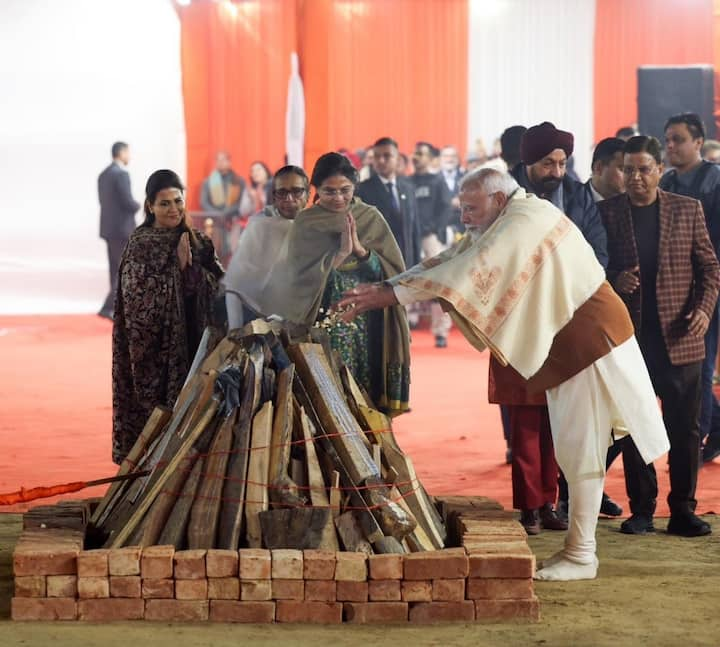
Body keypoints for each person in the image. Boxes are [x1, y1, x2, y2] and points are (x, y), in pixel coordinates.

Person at [336, 167, 670, 580]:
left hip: (589, 338)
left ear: (497, 199)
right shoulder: (511, 216)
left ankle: (582, 554)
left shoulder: (525, 220)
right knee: (577, 448)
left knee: (582, 448)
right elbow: (454, 258)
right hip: (576, 341)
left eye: (472, 208)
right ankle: (579, 551)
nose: (464, 217)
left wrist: (388, 294)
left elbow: (470, 268)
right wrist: (390, 286)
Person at [600, 136, 720, 536]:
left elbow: (710, 270)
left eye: (644, 169)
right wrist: (614, 279)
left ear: (659, 170)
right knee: (635, 425)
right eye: (628, 169)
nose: (636, 177)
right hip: (629, 340)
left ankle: (684, 510)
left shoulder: (687, 210)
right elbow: (590, 270)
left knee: (685, 428)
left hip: (682, 335)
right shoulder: (606, 214)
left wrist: (703, 311)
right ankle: (642, 510)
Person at [508, 122, 608, 531]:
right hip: (520, 321)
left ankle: (551, 502)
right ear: (528, 163)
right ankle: (530, 505)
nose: (556, 171)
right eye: (548, 163)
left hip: (570, 318)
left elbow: (598, 249)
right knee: (528, 415)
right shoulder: (504, 197)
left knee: (561, 415)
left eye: (562, 162)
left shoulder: (580, 195)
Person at [268, 152, 411, 414]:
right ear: (316, 189)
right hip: (325, 323)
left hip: (370, 324)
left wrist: (362, 252)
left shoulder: (369, 217)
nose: (338, 198)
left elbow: (394, 274)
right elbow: (298, 282)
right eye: (329, 191)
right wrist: (340, 255)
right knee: (333, 397)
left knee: (367, 394)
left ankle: (371, 448)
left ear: (355, 186)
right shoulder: (306, 222)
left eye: (345, 190)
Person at [111, 170, 224, 465]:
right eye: (164, 204)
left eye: (177, 201)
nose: (173, 209)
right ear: (150, 206)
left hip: (196, 342)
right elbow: (135, 300)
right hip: (155, 353)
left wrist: (191, 273)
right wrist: (176, 270)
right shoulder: (141, 245)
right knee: (158, 421)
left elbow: (221, 286)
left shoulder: (199, 241)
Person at [660, 113, 720, 464]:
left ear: (699, 142)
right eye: (667, 139)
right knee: (676, 369)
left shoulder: (715, 182)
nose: (671, 146)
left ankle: (691, 445)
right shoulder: (665, 181)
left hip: (708, 288)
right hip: (671, 289)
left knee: (700, 366)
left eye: (678, 139)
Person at [223, 165, 309, 329]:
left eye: (297, 191)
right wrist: (235, 331)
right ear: (274, 196)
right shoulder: (260, 226)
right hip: (257, 322)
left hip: (303, 322)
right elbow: (236, 285)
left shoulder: (315, 227)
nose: (289, 199)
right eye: (282, 193)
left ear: (308, 194)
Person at [410, 141, 453, 348]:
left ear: (430, 158)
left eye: (420, 153)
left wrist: (436, 230)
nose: (416, 156)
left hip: (431, 237)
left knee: (438, 284)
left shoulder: (437, 181)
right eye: (415, 153)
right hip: (410, 238)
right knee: (406, 280)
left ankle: (441, 330)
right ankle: (408, 323)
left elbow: (446, 208)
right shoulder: (407, 182)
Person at [357, 137, 421, 268]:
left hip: (406, 262)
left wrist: (417, 265)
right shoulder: (362, 190)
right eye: (377, 156)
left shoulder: (408, 188)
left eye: (387, 156)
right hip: (378, 263)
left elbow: (414, 229)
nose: (381, 160)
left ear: (398, 160)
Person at [98, 142, 140, 320]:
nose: (129, 156)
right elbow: (127, 201)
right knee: (123, 270)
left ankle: (113, 307)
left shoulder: (103, 175)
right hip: (123, 230)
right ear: (121, 153)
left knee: (114, 269)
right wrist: (140, 206)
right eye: (128, 152)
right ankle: (109, 307)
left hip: (108, 228)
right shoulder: (121, 174)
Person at [200, 150, 246, 216]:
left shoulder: (239, 181)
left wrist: (227, 212)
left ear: (229, 162)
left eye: (223, 160)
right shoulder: (207, 182)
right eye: (218, 160)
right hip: (214, 218)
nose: (220, 163)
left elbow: (242, 201)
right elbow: (204, 203)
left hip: (234, 218)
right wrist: (217, 214)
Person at [586, 137, 626, 202]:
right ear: (599, 168)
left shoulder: (634, 204)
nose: (629, 177)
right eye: (623, 169)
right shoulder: (571, 200)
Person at [439, 146, 464, 239]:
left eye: (452, 156)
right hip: (440, 232)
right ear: (440, 159)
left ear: (457, 159)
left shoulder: (467, 177)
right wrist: (449, 202)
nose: (449, 159)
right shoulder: (433, 180)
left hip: (462, 229)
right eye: (446, 156)